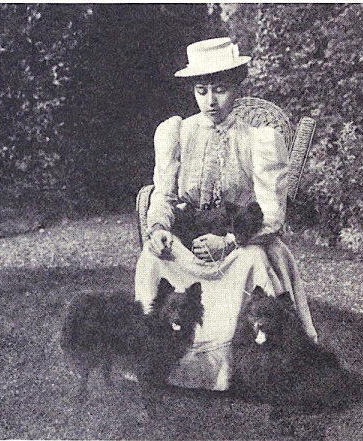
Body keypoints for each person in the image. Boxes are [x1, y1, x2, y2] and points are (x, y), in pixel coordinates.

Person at [134, 37, 318, 391]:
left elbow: (272, 213)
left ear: (236, 88)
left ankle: (242, 366)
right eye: (202, 91)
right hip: (191, 247)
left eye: (220, 89)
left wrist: (229, 241)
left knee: (254, 261)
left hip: (240, 242)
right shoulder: (178, 133)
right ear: (193, 91)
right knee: (152, 257)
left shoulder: (257, 139)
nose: (211, 101)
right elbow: (163, 195)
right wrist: (158, 227)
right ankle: (162, 359)